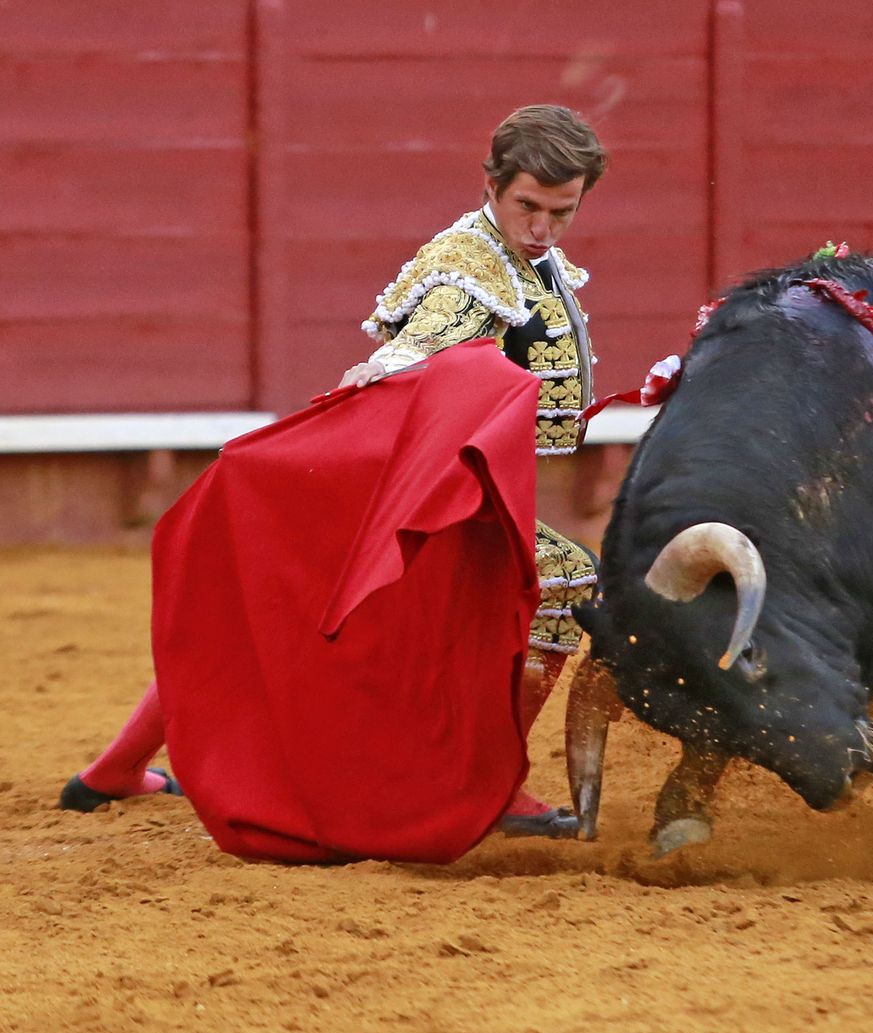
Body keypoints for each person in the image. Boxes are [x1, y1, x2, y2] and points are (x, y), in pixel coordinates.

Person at [60, 104, 619, 845]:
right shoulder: (471, 273)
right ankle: (493, 783)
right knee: (563, 576)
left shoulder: (519, 256)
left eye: (562, 210)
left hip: (438, 485)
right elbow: (405, 362)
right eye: (528, 206)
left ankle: (113, 771)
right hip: (410, 490)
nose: (544, 226)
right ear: (490, 185)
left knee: (257, 617)